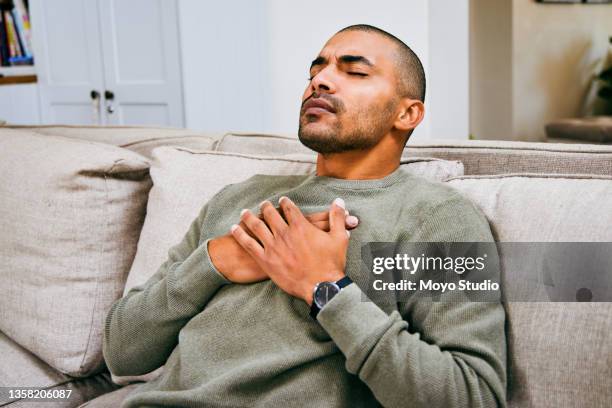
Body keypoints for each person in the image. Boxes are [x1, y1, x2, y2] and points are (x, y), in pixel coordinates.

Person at [101, 24, 507, 408]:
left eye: (355, 72)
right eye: (317, 69)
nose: (320, 81)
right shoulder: (238, 199)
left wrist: (325, 287)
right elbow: (122, 353)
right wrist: (214, 263)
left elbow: (473, 394)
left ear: (407, 114)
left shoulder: (438, 217)